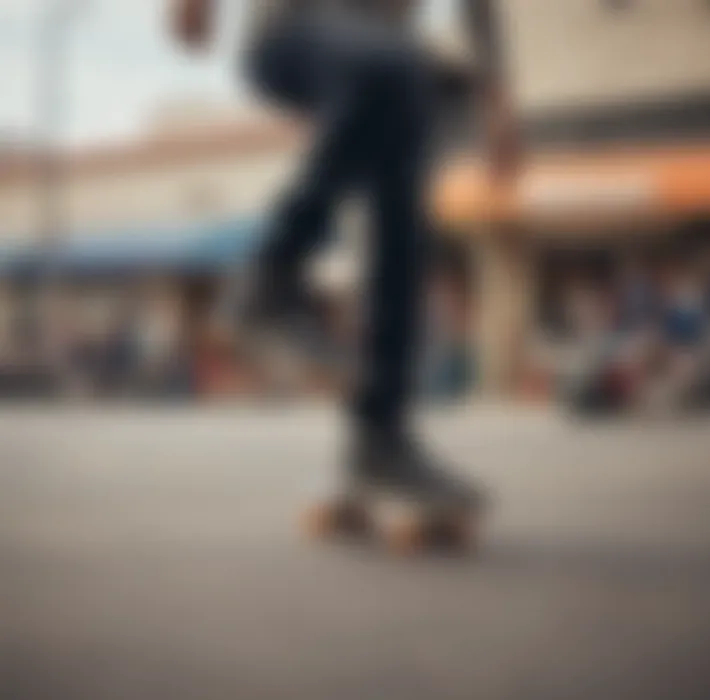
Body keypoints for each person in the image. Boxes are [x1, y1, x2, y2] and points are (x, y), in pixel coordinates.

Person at [170, 0, 519, 512]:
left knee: (402, 216)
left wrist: (495, 96)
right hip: (295, 31)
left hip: (383, 70)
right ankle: (270, 277)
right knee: (397, 70)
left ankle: (380, 439)